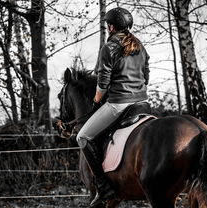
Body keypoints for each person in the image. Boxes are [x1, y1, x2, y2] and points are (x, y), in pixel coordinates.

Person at [76, 7, 150, 207]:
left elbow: (102, 83)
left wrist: (97, 100)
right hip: (143, 103)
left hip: (119, 103)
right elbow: (146, 76)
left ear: (110, 27)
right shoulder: (139, 46)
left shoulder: (109, 48)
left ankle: (103, 187)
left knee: (82, 137)